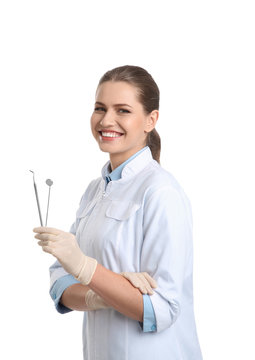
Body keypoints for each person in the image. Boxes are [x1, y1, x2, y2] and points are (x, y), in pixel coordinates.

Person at [33, 65, 203, 359]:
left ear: (151, 120)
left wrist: (87, 270)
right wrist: (99, 295)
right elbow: (60, 284)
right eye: (100, 108)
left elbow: (162, 309)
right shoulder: (94, 190)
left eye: (122, 110)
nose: (106, 120)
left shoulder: (162, 192)